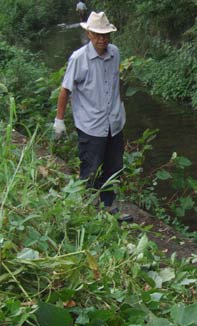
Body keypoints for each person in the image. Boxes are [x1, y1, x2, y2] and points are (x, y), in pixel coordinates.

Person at [54, 11, 131, 222]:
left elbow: (115, 85)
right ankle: (88, 212)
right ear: (89, 33)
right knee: (90, 168)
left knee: (113, 167)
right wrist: (59, 120)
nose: (101, 39)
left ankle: (108, 208)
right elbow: (65, 89)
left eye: (105, 35)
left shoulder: (115, 53)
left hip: (113, 123)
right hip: (90, 125)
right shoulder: (79, 58)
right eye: (97, 34)